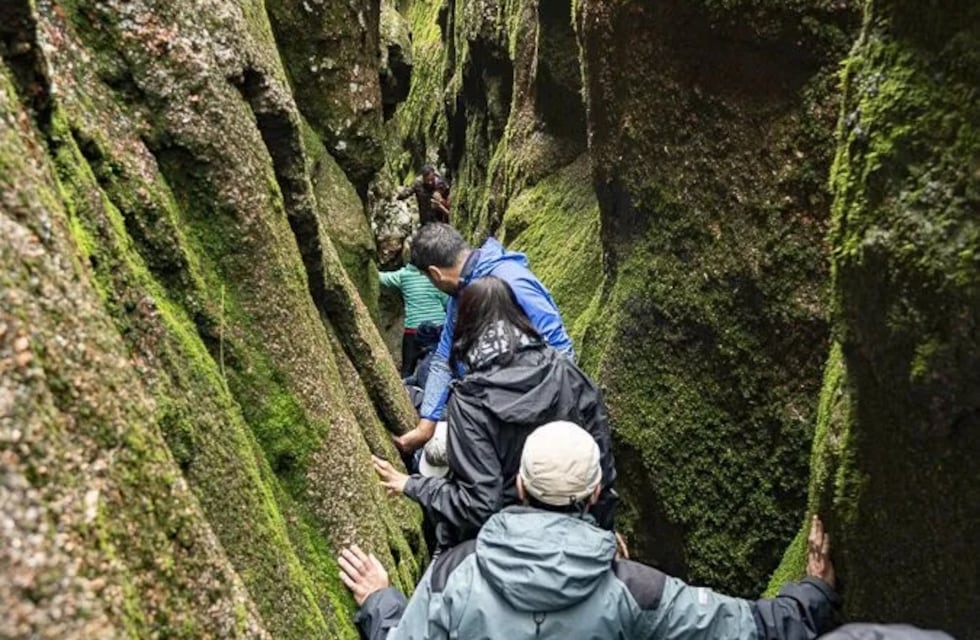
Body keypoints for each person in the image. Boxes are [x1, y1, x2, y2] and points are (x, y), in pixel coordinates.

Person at [339, 420, 839, 640]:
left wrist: (381, 600)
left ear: (519, 485)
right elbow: (746, 628)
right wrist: (814, 592)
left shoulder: (455, 571)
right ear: (596, 493)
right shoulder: (637, 590)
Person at [373, 276, 616, 550]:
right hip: (577, 534)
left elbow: (479, 505)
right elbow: (602, 468)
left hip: (505, 546)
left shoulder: (470, 400)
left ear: (465, 327)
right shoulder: (570, 374)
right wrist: (604, 533)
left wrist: (413, 485)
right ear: (519, 315)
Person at [396, 223, 575, 453]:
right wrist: (426, 424)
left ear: (435, 273)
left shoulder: (512, 282)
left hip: (528, 412)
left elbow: (561, 352)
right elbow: (444, 358)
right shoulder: (459, 296)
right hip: (488, 401)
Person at [379, 261, 449, 378]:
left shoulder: (403, 275)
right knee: (439, 366)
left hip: (412, 331)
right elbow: (446, 301)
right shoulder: (435, 277)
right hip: (437, 328)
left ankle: (406, 391)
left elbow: (382, 278)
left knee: (407, 369)